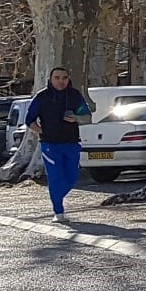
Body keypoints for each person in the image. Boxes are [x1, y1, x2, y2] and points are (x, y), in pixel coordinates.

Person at [25, 68, 91, 222]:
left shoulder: (74, 95)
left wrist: (76, 118)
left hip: (71, 143)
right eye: (57, 78)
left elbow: (87, 117)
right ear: (50, 79)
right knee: (55, 177)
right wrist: (40, 130)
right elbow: (29, 120)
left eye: (64, 78)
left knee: (72, 176)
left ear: (68, 79)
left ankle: (56, 195)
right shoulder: (42, 97)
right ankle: (58, 211)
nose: (61, 81)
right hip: (50, 144)